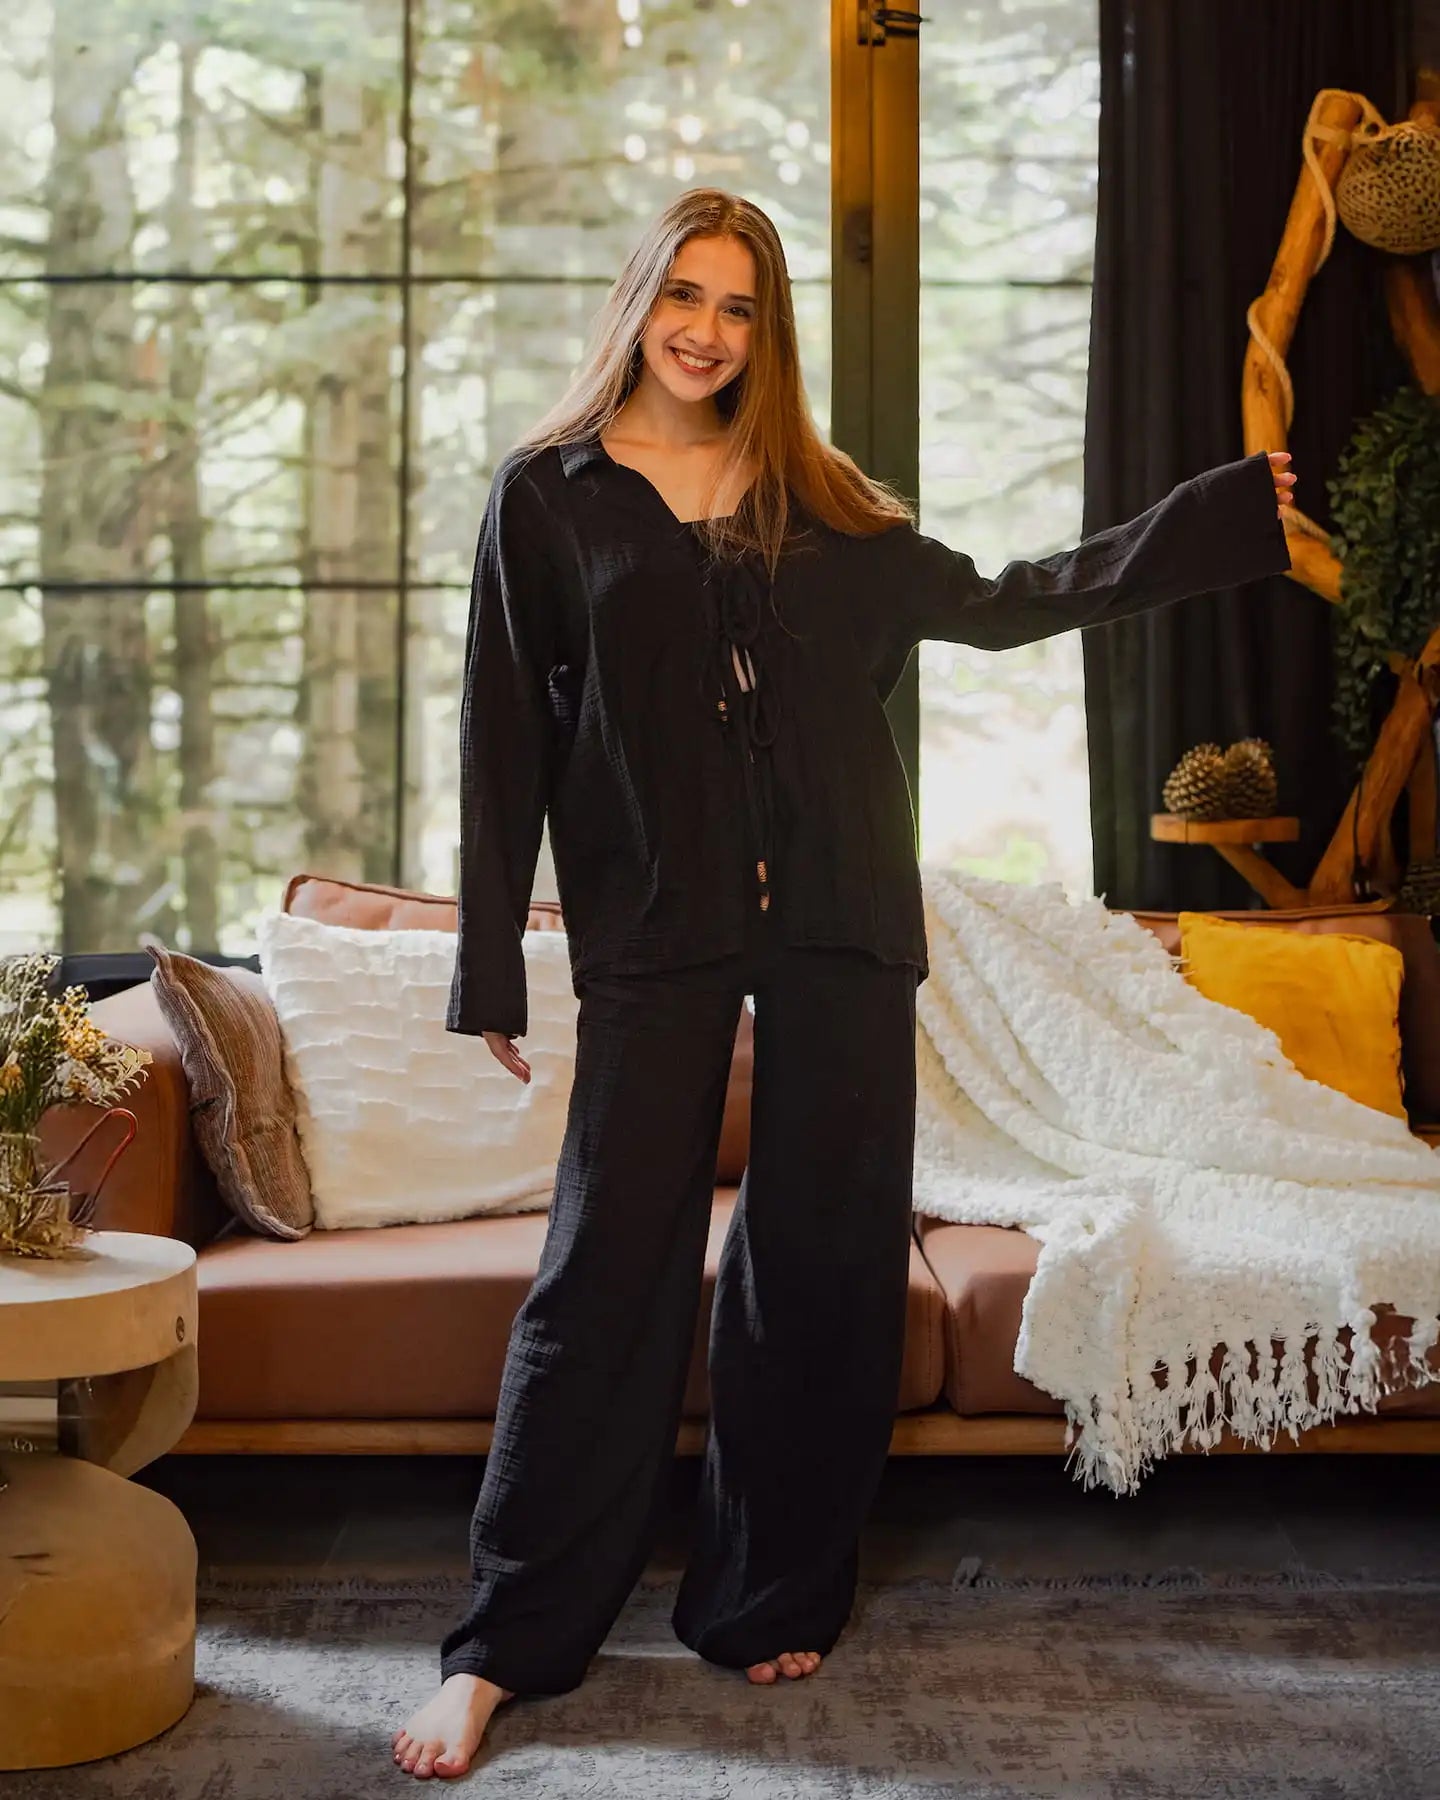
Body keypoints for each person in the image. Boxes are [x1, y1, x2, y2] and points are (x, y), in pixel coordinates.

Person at [392, 187, 1298, 1779]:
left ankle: (769, 1589)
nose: (706, 330)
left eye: (740, 306)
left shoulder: (828, 506)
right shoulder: (551, 496)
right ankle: (504, 1641)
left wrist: (1222, 516)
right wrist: (490, 975)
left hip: (839, 921)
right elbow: (503, 741)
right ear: (637, 302)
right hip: (655, 929)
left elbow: (1020, 601)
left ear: (771, 331)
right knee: (606, 1264)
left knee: (816, 1268)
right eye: (685, 293)